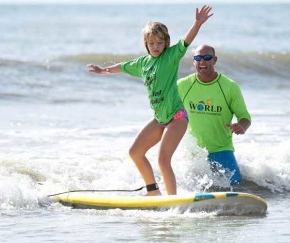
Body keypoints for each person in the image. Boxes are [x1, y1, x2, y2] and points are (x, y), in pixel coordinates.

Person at [87, 6, 213, 196]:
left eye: (159, 43)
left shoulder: (170, 57)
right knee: (135, 152)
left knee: (163, 160)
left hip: (177, 117)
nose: (155, 46)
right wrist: (103, 70)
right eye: (151, 42)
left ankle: (172, 200)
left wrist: (197, 23)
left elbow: (186, 41)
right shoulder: (143, 63)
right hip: (160, 119)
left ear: (165, 44)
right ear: (146, 43)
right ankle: (153, 191)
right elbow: (122, 66)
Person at [177, 44, 251, 187]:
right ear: (193, 61)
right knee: (189, 188)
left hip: (221, 149)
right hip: (194, 152)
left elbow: (245, 117)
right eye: (198, 58)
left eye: (207, 57)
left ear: (214, 60)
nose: (202, 62)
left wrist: (242, 126)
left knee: (236, 186)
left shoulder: (229, 87)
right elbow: (167, 111)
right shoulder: (182, 85)